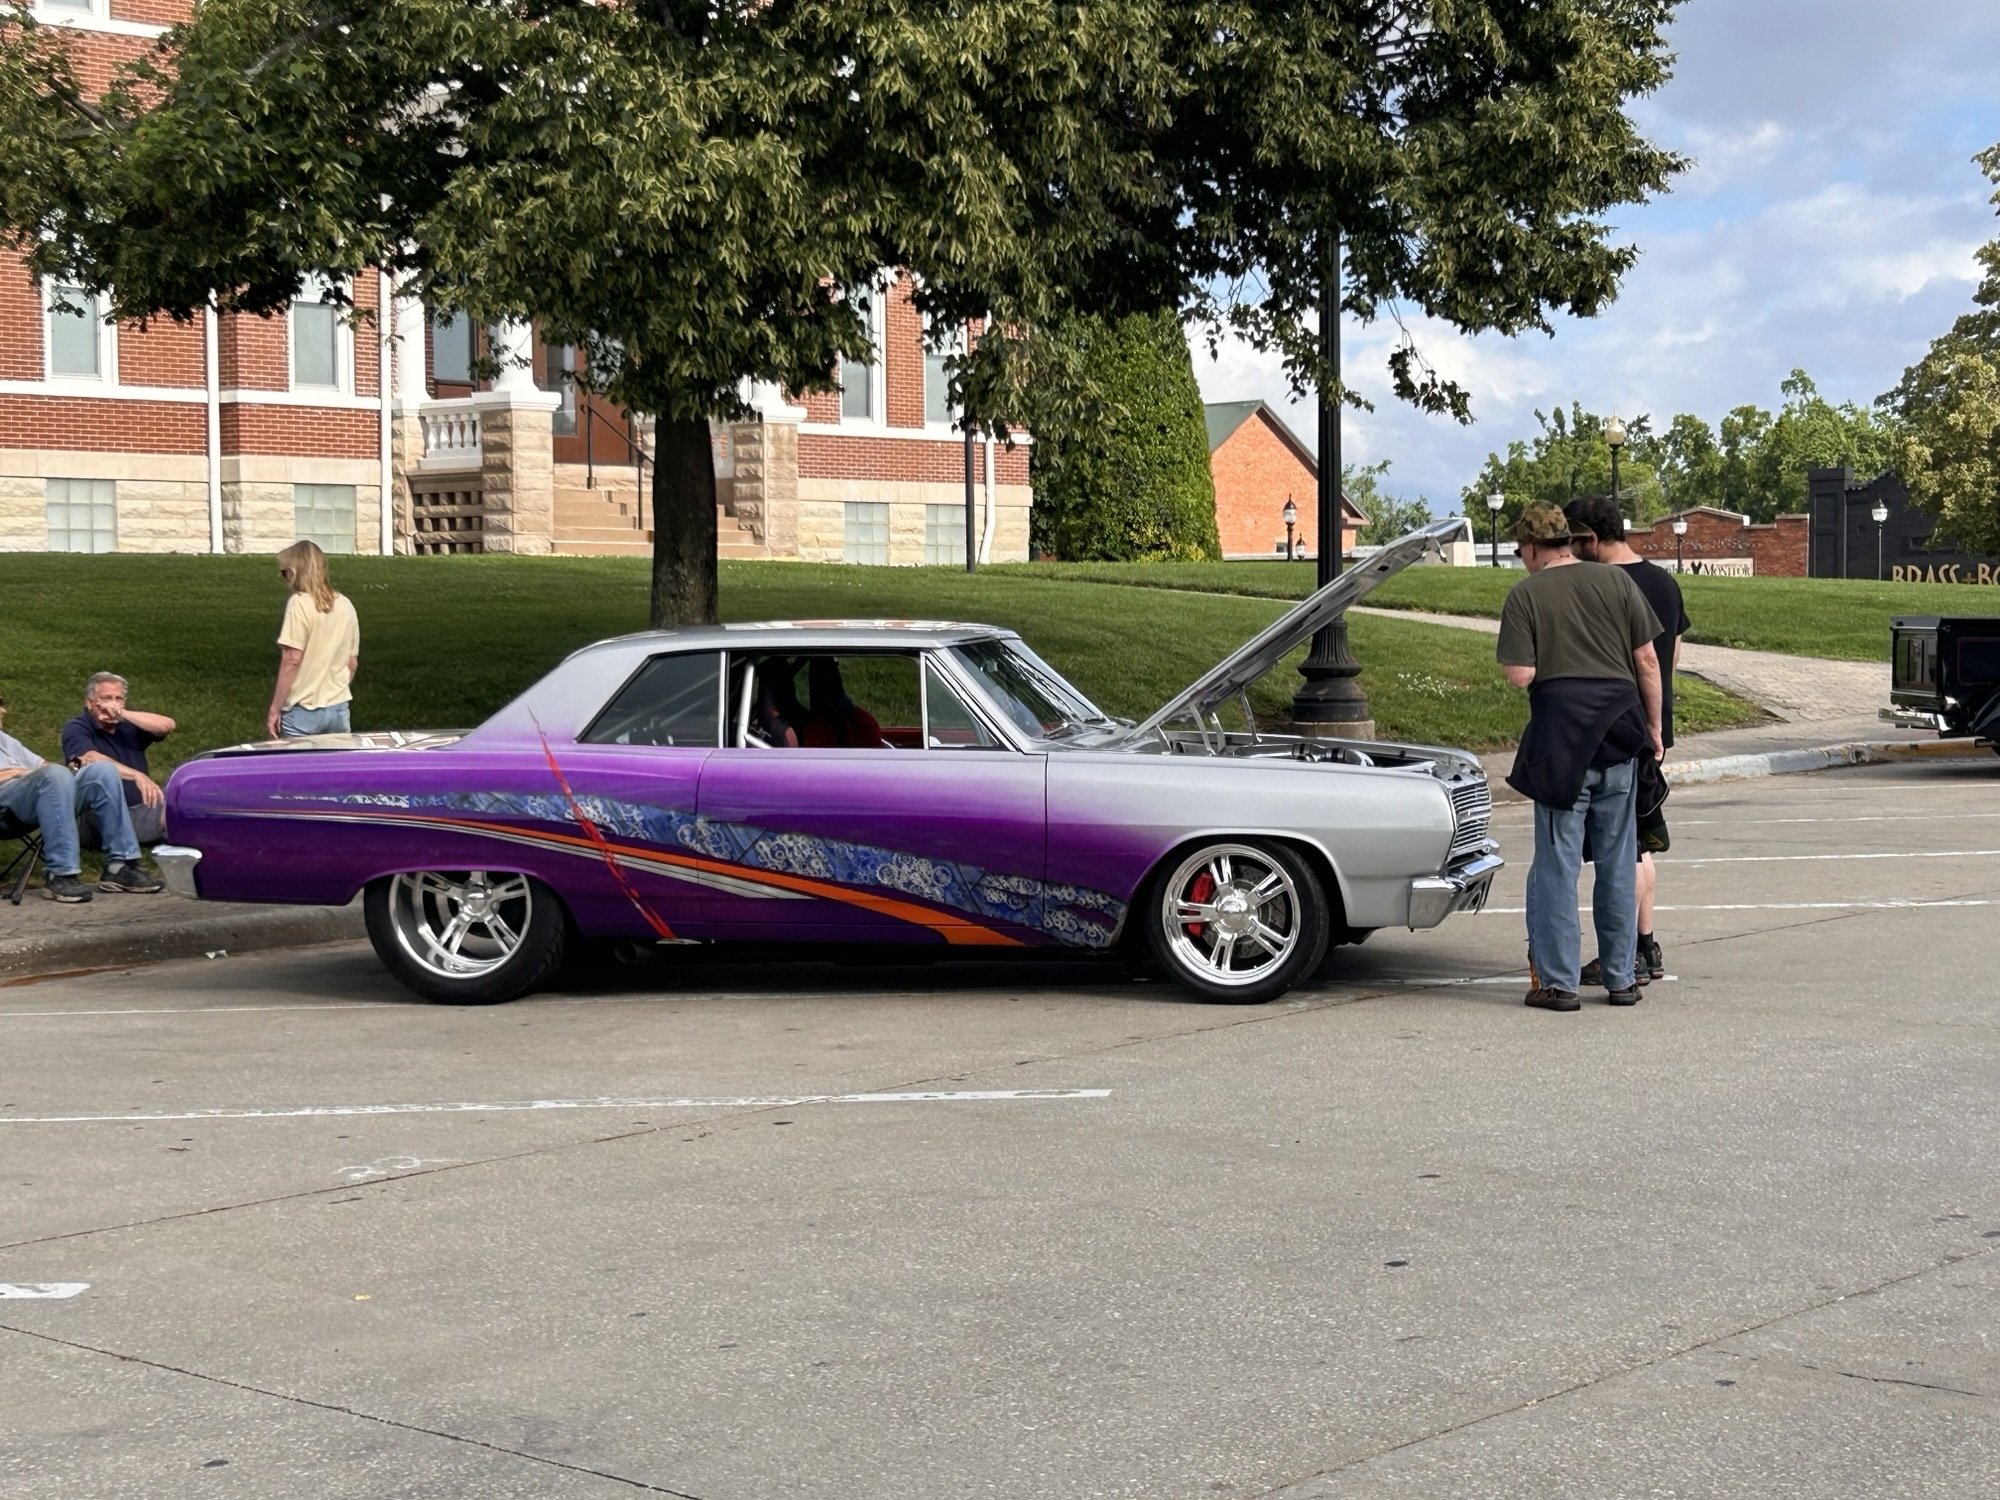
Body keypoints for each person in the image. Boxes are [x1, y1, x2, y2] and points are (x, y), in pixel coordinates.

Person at [1497, 503, 1664, 1012]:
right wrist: (1654, 730)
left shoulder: (1525, 594)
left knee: (1557, 862)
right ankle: (1620, 979)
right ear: (1567, 541)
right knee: (1617, 860)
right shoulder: (1616, 584)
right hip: (1620, 731)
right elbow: (1648, 661)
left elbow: (1521, 674)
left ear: (1530, 548)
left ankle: (1559, 983)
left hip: (1561, 740)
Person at [1566, 496, 1691, 985]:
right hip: (1654, 723)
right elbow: (1671, 655)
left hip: (1618, 728)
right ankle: (1647, 944)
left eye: (1575, 541)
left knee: (1623, 852)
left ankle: (1626, 955)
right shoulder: (1663, 582)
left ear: (1592, 539)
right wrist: (1660, 718)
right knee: (1642, 845)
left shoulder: (1605, 585)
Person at [0, 697, 163, 901]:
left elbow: (44, 767)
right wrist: (24, 772)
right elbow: (41, 773)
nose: (3, 711)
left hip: (40, 796)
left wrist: (76, 765)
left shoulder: (6, 741)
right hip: (6, 805)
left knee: (102, 771)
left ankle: (119, 866)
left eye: (3, 703)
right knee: (54, 775)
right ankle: (60, 874)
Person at [61, 671, 175, 846]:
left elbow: (167, 726)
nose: (113, 705)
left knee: (186, 796)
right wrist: (136, 775)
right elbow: (89, 758)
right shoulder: (77, 727)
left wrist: (123, 715)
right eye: (106, 698)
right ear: (90, 702)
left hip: (141, 808)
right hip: (97, 815)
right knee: (177, 815)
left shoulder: (127, 726)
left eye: (118, 699)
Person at [268, 540, 360, 738]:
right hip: (338, 707)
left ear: (294, 572)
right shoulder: (345, 605)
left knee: (298, 768)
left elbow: (292, 659)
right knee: (336, 768)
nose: (283, 579)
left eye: (284, 573)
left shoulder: (299, 604)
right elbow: (351, 663)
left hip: (302, 710)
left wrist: (276, 708)